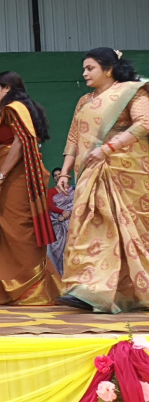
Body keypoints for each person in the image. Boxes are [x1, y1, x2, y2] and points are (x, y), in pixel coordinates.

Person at [56, 48, 149, 313]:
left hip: (124, 172)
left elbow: (144, 123)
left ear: (108, 69)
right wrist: (65, 172)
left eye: (90, 68)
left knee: (124, 230)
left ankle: (128, 291)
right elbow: (74, 137)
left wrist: (108, 148)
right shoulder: (85, 100)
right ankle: (90, 289)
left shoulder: (132, 91)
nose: (84, 73)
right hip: (90, 172)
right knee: (91, 228)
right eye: (84, 68)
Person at [0, 71, 61, 307]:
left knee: (18, 233)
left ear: (7, 89)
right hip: (11, 179)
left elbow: (20, 142)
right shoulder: (18, 109)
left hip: (13, 181)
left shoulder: (14, 108)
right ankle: (15, 289)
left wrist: (1, 175)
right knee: (10, 234)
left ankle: (28, 289)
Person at [46, 167, 74, 275]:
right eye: (55, 175)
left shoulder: (72, 190)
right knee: (57, 248)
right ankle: (60, 273)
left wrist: (68, 214)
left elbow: (76, 203)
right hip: (57, 221)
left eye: (59, 174)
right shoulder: (51, 191)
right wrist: (62, 212)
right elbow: (50, 206)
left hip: (72, 219)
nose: (58, 176)